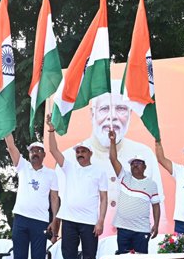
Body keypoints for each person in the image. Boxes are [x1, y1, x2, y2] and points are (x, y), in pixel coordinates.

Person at [62, 80, 166, 237]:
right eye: (104, 109)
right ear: (92, 114)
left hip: (131, 237)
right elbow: (59, 204)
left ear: (130, 114)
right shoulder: (68, 157)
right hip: (85, 236)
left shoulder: (144, 154)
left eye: (121, 108)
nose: (112, 117)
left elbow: (158, 211)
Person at [47, 114, 108, 259]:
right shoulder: (69, 167)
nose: (80, 154)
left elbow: (104, 198)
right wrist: (51, 130)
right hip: (69, 220)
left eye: (83, 151)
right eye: (78, 151)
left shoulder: (99, 171)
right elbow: (53, 150)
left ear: (90, 153)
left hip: (89, 223)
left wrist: (100, 221)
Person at [4, 133, 60, 259]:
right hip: (21, 219)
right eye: (32, 151)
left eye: (38, 150)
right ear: (29, 154)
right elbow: (11, 147)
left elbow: (54, 198)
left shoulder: (51, 174)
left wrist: (54, 220)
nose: (35, 153)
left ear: (44, 154)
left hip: (40, 222)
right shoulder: (22, 166)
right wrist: (7, 130)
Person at [108, 130, 160, 259]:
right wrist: (112, 141)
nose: (135, 165)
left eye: (138, 163)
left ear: (145, 167)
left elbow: (156, 206)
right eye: (132, 163)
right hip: (123, 228)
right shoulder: (124, 177)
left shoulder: (151, 184)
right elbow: (113, 159)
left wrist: (156, 224)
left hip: (142, 230)